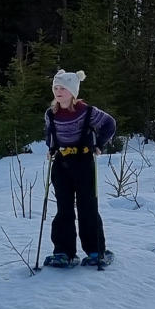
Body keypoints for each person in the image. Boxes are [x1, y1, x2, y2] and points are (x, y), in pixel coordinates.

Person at [43, 69, 118, 268]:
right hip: (61, 164)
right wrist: (51, 148)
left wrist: (99, 145)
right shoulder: (51, 113)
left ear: (73, 92)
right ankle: (64, 252)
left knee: (87, 207)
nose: (58, 92)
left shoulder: (87, 112)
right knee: (63, 208)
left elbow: (110, 124)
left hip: (83, 161)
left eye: (63, 89)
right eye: (56, 88)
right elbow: (49, 134)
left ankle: (95, 251)